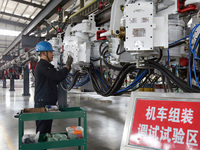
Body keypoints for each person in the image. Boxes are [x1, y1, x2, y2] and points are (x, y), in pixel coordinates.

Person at [34, 41, 73, 134]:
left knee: (46, 130)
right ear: (44, 53)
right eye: (51, 52)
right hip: (42, 104)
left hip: (47, 102)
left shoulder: (46, 66)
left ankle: (44, 148)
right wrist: (67, 66)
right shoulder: (42, 65)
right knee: (42, 131)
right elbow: (57, 76)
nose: (53, 54)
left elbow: (55, 80)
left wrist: (65, 70)